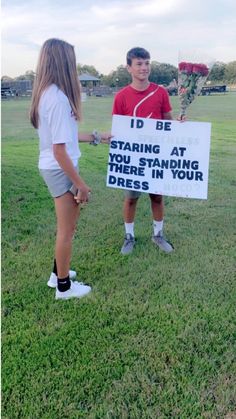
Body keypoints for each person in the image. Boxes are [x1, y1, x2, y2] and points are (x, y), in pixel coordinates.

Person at [30, 38, 110, 299]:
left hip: (53, 166)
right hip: (59, 168)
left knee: (67, 228)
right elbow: (59, 150)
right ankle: (63, 287)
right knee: (66, 230)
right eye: (72, 61)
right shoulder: (59, 99)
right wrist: (81, 184)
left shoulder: (47, 94)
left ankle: (57, 274)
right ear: (64, 62)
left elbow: (65, 139)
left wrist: (98, 136)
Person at [112, 47, 174, 256]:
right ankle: (129, 236)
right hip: (133, 159)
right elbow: (118, 130)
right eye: (139, 63)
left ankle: (158, 234)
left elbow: (168, 123)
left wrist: (181, 126)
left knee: (157, 197)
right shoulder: (121, 97)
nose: (144, 67)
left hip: (156, 156)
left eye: (147, 63)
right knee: (131, 198)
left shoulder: (161, 92)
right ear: (129, 67)